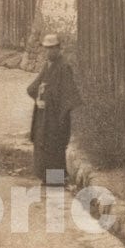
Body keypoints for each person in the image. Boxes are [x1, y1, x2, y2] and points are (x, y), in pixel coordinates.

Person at [27, 33, 82, 183]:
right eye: (46, 49)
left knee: (55, 147)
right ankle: (46, 179)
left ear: (58, 48)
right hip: (44, 114)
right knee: (42, 144)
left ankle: (56, 182)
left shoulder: (64, 67)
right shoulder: (48, 65)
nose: (48, 52)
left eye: (52, 48)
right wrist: (39, 96)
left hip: (57, 116)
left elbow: (68, 93)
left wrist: (49, 97)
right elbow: (33, 87)